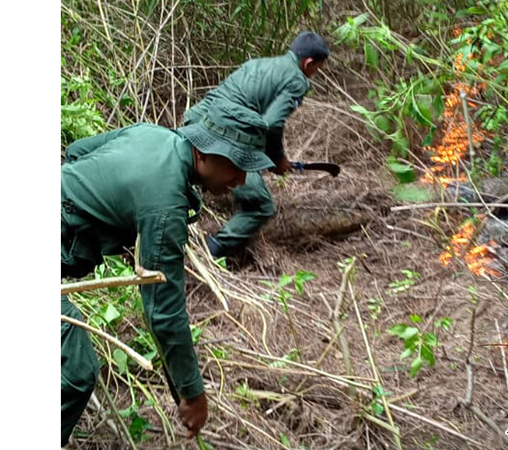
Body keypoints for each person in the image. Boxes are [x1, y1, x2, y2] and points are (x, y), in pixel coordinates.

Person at [61, 104, 275, 446]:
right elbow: (163, 313)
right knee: (74, 372)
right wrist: (192, 394)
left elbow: (76, 152)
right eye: (237, 165)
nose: (242, 180)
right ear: (204, 153)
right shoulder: (165, 206)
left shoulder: (151, 133)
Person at [183, 31, 330, 260]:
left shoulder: (260, 63)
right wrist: (278, 159)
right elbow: (271, 123)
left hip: (196, 122)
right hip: (223, 137)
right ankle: (211, 252)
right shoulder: (297, 80)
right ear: (308, 62)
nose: (314, 74)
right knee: (262, 206)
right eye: (316, 69)